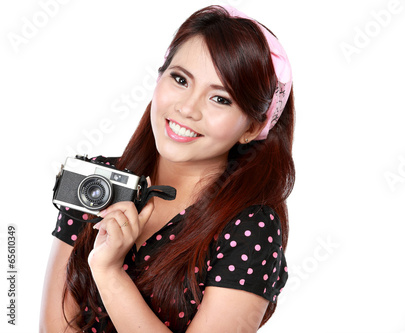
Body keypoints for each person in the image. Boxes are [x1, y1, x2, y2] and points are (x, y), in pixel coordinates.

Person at [40, 4, 295, 333]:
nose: (187, 108)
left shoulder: (249, 230)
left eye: (220, 99)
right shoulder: (96, 182)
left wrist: (109, 273)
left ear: (252, 128)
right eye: (180, 79)